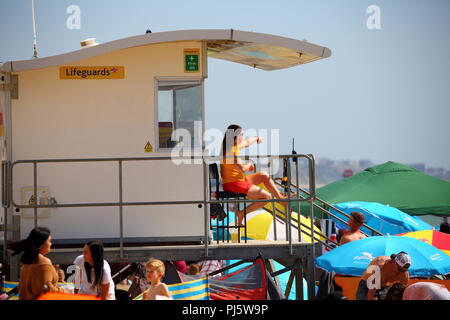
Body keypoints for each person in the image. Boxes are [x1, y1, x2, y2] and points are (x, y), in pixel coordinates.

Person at [220, 124, 295, 226]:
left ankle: (281, 200)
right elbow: (242, 168)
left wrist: (256, 138)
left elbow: (246, 143)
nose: (243, 136)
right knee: (267, 197)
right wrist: (249, 165)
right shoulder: (233, 151)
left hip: (236, 181)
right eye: (241, 134)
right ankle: (242, 213)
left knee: (264, 175)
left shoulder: (231, 146)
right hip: (234, 184)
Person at [7, 226, 65, 300]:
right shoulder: (44, 263)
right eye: (49, 241)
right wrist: (63, 291)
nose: (51, 244)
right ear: (42, 243)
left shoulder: (28, 261)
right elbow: (45, 288)